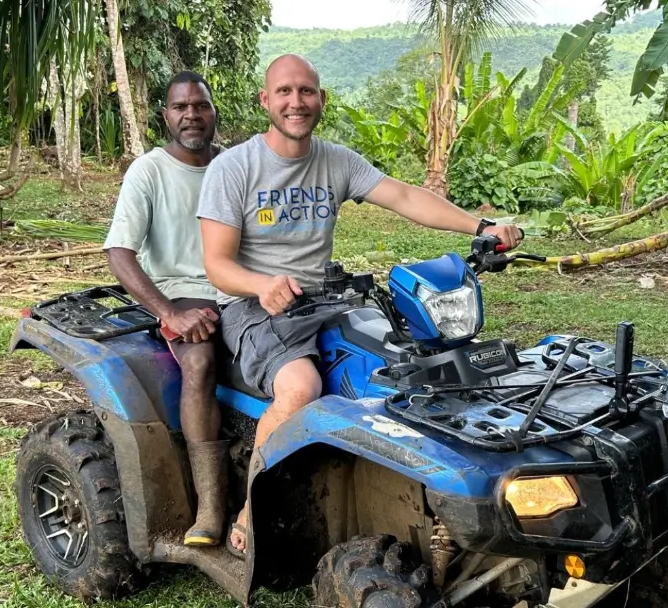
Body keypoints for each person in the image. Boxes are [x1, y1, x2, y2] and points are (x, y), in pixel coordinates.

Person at [196, 54, 522, 558]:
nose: (296, 102)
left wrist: (482, 228)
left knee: (406, 363)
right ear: (266, 100)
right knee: (300, 387)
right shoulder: (233, 168)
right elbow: (217, 265)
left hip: (326, 300)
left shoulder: (336, 161)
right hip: (253, 306)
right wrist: (261, 285)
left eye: (306, 91)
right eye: (284, 92)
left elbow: (407, 197)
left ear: (321, 99)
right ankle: (249, 511)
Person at [102, 70, 229, 548]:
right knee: (198, 362)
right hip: (182, 291)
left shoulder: (232, 164)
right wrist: (168, 313)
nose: (192, 115)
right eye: (181, 107)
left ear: (214, 112)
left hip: (237, 288)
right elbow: (120, 252)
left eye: (200, 105)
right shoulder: (150, 171)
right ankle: (210, 506)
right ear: (166, 116)